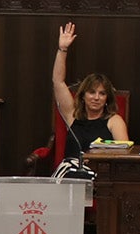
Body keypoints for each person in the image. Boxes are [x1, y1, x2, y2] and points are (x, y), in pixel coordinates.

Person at [51, 23, 128, 157]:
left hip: (100, 174)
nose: (96, 97)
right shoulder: (72, 115)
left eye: (102, 93)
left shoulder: (114, 121)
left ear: (107, 99)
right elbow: (58, 81)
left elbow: (124, 156)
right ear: (83, 96)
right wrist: (62, 49)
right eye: (92, 92)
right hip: (71, 172)